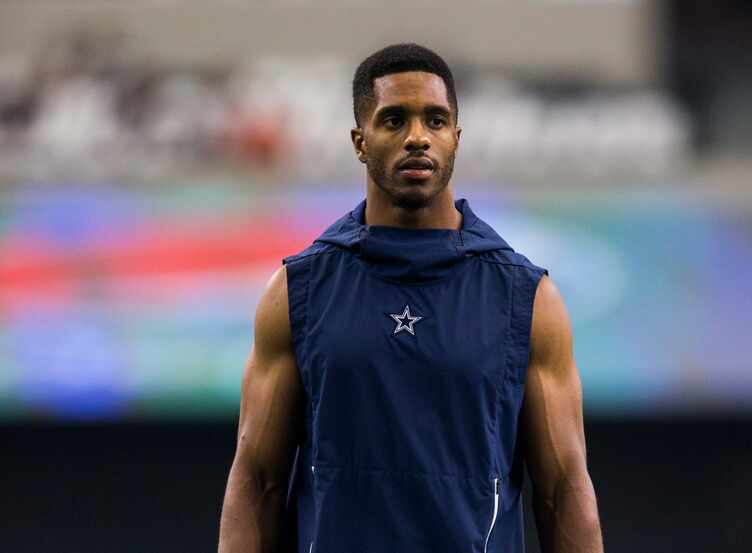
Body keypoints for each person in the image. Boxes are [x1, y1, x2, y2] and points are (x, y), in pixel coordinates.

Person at [218, 43, 603, 553]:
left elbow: (562, 491)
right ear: (360, 141)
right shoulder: (296, 292)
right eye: (394, 120)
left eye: (436, 121)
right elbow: (258, 481)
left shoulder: (527, 299)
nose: (417, 137)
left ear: (456, 139)